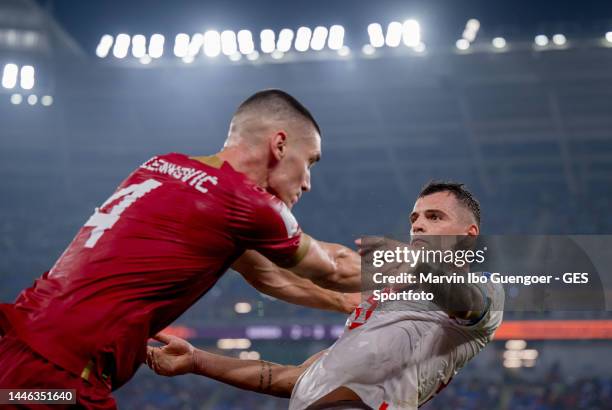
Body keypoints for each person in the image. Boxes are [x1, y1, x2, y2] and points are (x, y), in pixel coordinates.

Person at [0, 89, 364, 409]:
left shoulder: (162, 167)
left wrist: (346, 303)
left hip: (23, 360)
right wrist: (420, 260)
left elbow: (267, 274)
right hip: (56, 378)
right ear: (280, 145)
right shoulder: (245, 202)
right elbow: (336, 266)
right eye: (309, 161)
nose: (308, 182)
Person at [147, 182, 505, 410]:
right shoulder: (375, 311)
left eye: (434, 216)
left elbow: (465, 299)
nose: (418, 224)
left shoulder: (483, 291)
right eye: (415, 218)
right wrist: (197, 361)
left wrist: (417, 261)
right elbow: (293, 379)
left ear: (468, 234)